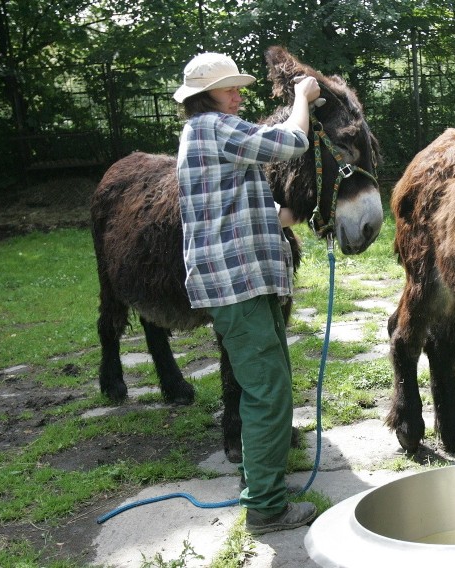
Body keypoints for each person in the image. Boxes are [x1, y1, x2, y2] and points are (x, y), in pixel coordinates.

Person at [173, 52, 320, 535]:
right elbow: (291, 142)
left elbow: (228, 207)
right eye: (226, 87)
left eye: (237, 85)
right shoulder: (212, 127)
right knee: (268, 393)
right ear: (202, 97)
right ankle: (265, 507)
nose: (237, 94)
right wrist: (301, 97)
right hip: (237, 285)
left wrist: (288, 216)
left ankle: (264, 488)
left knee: (268, 386)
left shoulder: (208, 134)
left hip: (244, 282)